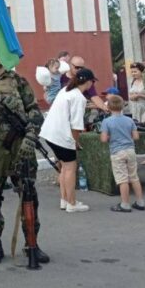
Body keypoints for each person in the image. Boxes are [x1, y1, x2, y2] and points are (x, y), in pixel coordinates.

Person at [0, 39, 49, 266]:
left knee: (29, 195)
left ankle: (31, 243)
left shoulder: (19, 81)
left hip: (20, 147)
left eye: (0, 55)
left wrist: (31, 138)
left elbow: (34, 111)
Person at [40, 68, 97, 213]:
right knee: (71, 168)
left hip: (50, 133)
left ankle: (65, 200)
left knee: (64, 168)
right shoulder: (79, 98)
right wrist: (75, 142)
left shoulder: (65, 90)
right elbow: (76, 125)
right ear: (89, 82)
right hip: (62, 135)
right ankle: (71, 203)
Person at [100, 94, 145, 212]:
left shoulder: (106, 122)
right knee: (134, 176)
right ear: (123, 107)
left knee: (122, 179)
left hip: (117, 151)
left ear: (109, 107)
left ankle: (125, 204)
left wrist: (111, 136)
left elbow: (104, 139)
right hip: (130, 150)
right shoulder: (129, 120)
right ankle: (140, 202)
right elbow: (136, 137)